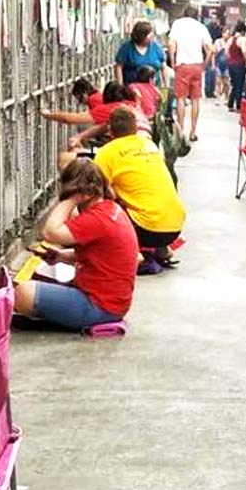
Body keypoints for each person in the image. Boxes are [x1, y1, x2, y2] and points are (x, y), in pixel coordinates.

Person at [14, 159, 138, 330]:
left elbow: (49, 233)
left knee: (23, 293)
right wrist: (61, 257)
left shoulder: (96, 219)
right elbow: (100, 257)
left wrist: (71, 199)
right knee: (35, 286)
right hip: (112, 302)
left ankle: (67, 318)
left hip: (99, 306)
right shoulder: (109, 209)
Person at [94, 108, 186, 270]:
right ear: (135, 129)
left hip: (146, 230)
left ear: (109, 130)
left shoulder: (106, 153)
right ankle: (162, 249)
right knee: (144, 195)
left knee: (103, 205)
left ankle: (133, 256)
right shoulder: (149, 145)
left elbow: (97, 192)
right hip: (175, 227)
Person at [41, 81, 152, 148]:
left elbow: (69, 119)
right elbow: (104, 126)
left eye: (78, 98)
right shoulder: (133, 105)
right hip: (148, 146)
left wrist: (48, 115)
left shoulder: (109, 106)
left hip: (132, 147)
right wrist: (80, 137)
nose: (79, 102)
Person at [168, 5, 214, 142]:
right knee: (195, 99)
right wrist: (204, 64)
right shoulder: (201, 27)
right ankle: (193, 132)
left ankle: (181, 130)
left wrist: (173, 61)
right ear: (197, 15)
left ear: (184, 13)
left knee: (180, 98)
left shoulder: (177, 24)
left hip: (182, 65)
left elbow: (171, 45)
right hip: (196, 66)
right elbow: (211, 49)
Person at [115, 20, 166, 86]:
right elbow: (119, 67)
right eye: (149, 34)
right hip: (132, 88)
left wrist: (165, 84)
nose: (152, 36)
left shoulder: (156, 47)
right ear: (141, 36)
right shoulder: (127, 48)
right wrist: (120, 85)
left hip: (153, 87)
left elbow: (163, 67)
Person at [226, 21, 246, 113]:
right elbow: (244, 52)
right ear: (243, 31)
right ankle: (238, 106)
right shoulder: (242, 39)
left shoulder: (231, 39)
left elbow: (226, 52)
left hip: (231, 65)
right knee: (240, 85)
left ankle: (230, 104)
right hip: (239, 65)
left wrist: (231, 60)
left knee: (234, 85)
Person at [214, 28, 231, 101]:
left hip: (227, 65)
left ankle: (226, 97)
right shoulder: (218, 42)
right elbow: (214, 53)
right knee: (218, 81)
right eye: (227, 33)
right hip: (218, 64)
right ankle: (217, 98)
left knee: (226, 82)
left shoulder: (230, 42)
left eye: (229, 34)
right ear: (223, 33)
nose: (228, 35)